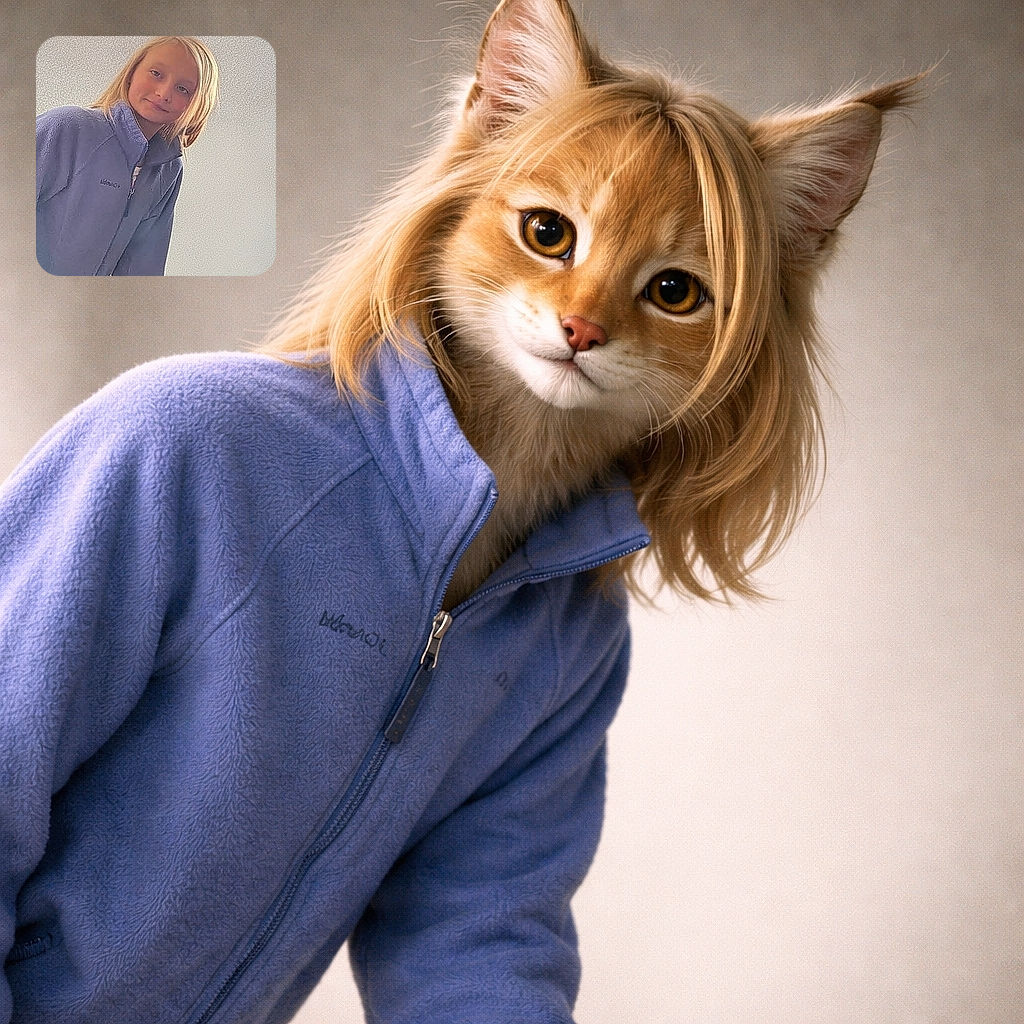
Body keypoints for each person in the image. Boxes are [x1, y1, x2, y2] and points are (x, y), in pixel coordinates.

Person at [35, 36, 218, 276]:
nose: (164, 93)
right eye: (156, 73)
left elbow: (143, 268)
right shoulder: (67, 127)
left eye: (183, 89)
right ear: (131, 73)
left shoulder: (169, 171)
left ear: (197, 103)